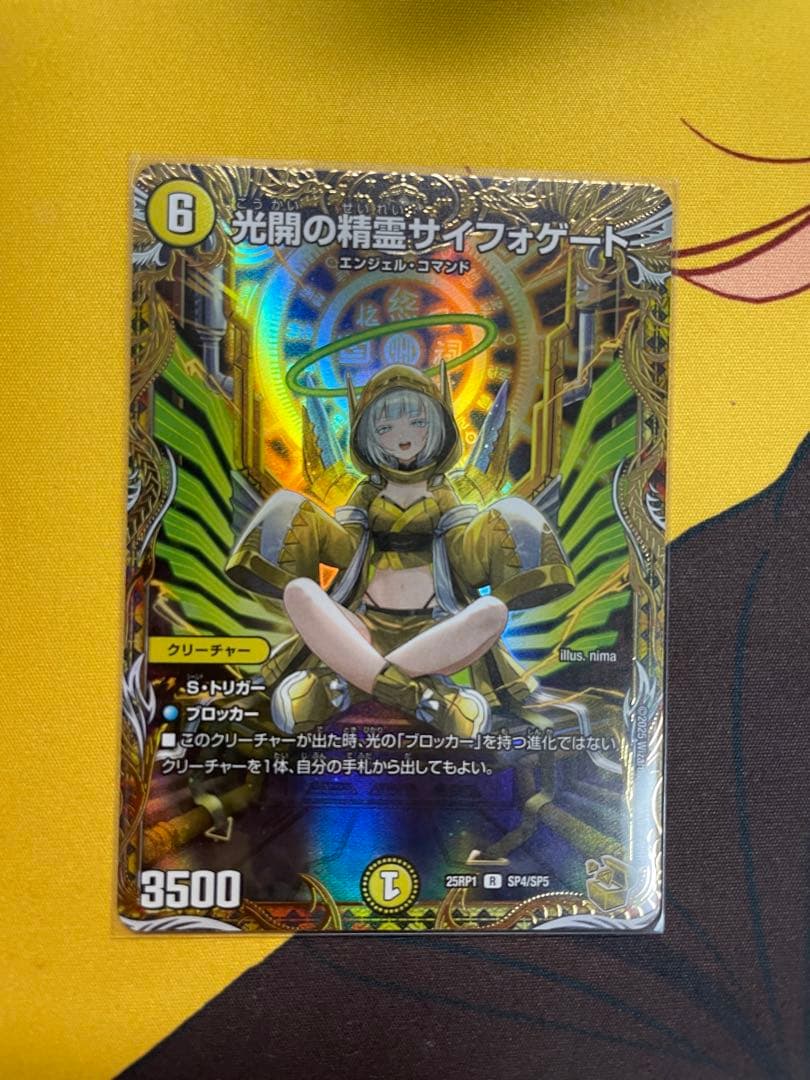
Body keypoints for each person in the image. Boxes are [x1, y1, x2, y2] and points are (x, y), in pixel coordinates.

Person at [226, 363, 575, 739]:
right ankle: (426, 698)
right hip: (361, 627)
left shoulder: (444, 494)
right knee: (300, 591)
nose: (402, 436)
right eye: (385, 428)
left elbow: (466, 561)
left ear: (437, 426)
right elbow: (345, 550)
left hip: (435, 630)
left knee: (492, 611)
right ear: (367, 435)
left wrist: (496, 528)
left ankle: (347, 685)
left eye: (416, 422)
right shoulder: (365, 493)